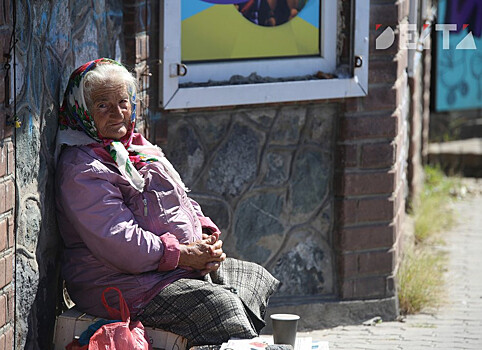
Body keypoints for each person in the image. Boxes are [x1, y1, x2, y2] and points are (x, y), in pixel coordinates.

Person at [55, 58, 280, 347]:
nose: (117, 113)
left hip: (167, 267)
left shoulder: (134, 147)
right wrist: (184, 255)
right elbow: (120, 243)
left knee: (251, 279)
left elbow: (179, 198)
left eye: (123, 102)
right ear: (82, 111)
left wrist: (205, 233)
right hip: (119, 283)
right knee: (220, 308)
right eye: (102, 105)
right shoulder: (82, 168)